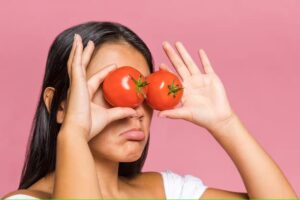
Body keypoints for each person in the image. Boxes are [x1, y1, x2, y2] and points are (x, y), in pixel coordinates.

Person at [2, 21, 297, 199]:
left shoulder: (166, 191)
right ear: (60, 105)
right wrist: (74, 134)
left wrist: (226, 123)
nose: (137, 110)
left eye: (145, 90)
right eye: (113, 89)